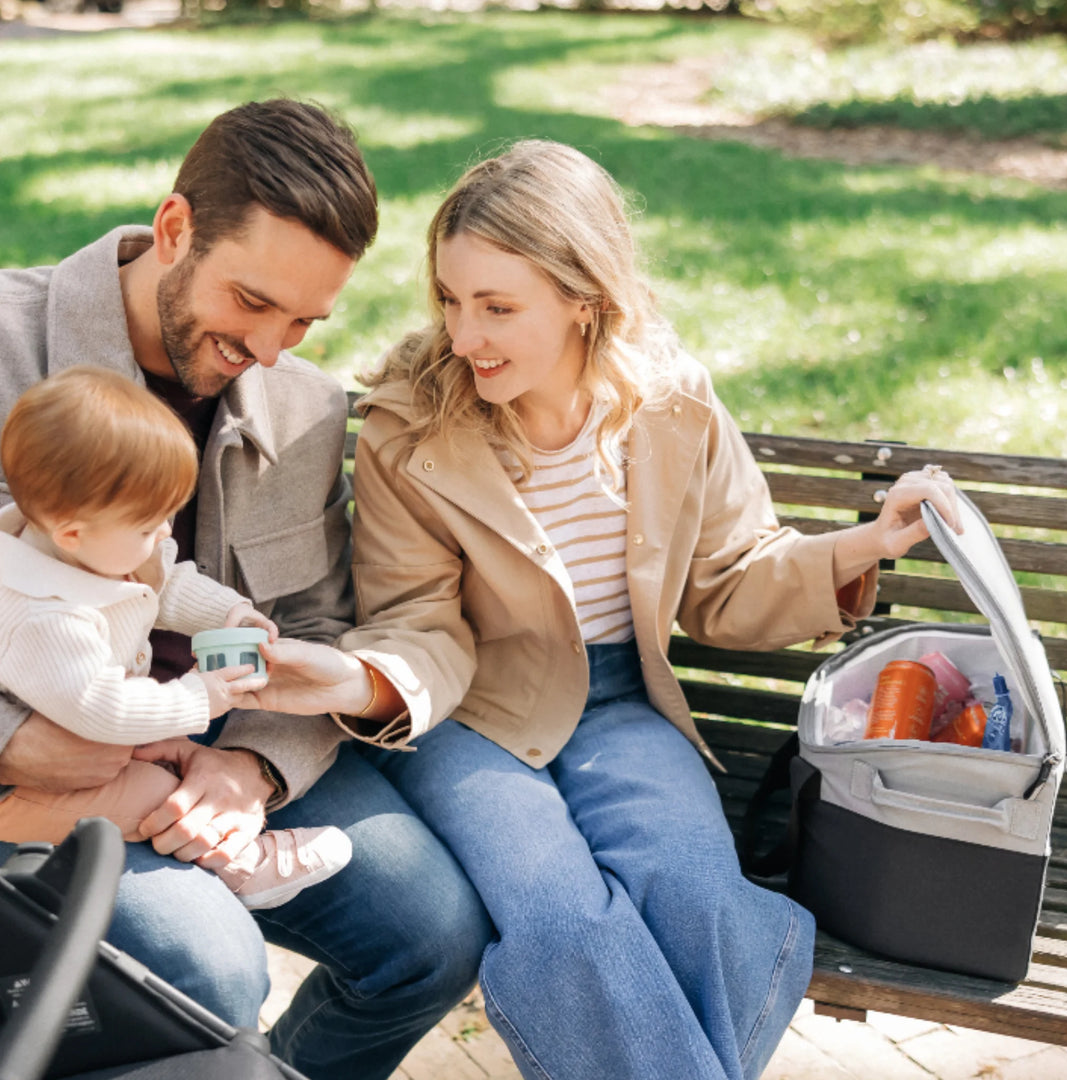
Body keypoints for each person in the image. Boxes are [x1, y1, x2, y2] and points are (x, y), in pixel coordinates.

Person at [245, 139, 961, 1080]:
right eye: (453, 301)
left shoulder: (673, 406)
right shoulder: (409, 427)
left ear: (587, 298)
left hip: (621, 705)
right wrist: (361, 679)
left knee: (699, 897)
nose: (466, 337)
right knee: (562, 919)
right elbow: (420, 622)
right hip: (471, 719)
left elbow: (728, 581)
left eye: (499, 308)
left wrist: (865, 542)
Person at [0, 99, 489, 1080]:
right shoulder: (7, 345)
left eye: (306, 320)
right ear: (174, 229)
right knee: (210, 975)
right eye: (253, 303)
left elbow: (313, 622)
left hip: (212, 734)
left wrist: (253, 773)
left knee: (428, 936)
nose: (272, 349)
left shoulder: (302, 405)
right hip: (39, 770)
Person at [0, 366, 354, 910]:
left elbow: (169, 581)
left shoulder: (100, 545)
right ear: (70, 532)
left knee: (169, 753)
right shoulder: (46, 617)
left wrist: (229, 613)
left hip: (90, 733)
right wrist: (199, 697)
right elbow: (99, 706)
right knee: (151, 792)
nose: (164, 533)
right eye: (149, 525)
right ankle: (243, 865)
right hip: (27, 785)